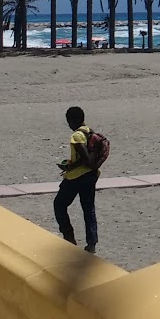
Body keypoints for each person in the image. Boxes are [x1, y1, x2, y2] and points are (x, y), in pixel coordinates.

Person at [54, 105, 100, 253]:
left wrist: (69, 167)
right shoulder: (89, 132)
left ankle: (69, 237)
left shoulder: (76, 136)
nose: (69, 125)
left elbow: (85, 158)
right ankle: (91, 244)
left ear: (73, 120)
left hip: (76, 178)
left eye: (69, 121)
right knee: (88, 209)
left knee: (59, 205)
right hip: (91, 176)